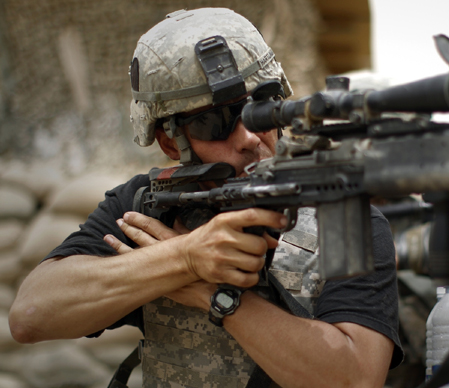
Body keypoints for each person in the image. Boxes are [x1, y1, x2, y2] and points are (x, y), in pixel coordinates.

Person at [9, 8, 402, 388]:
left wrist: (212, 295)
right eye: (215, 121)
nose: (249, 136)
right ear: (169, 141)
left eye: (260, 109)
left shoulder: (345, 217)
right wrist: (183, 258)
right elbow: (31, 314)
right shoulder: (152, 204)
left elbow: (353, 378)